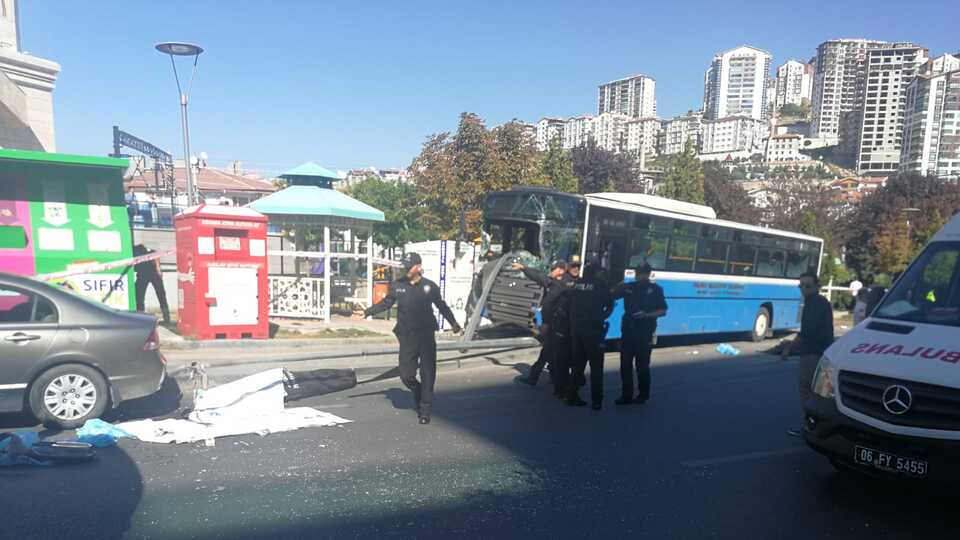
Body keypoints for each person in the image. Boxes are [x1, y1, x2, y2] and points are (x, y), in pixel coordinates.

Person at [356, 252, 462, 425]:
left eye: (409, 266)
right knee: (406, 375)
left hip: (426, 335)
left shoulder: (430, 286)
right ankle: (418, 391)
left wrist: (454, 323)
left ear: (418, 267)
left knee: (428, 373)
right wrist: (367, 312)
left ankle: (425, 409)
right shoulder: (397, 285)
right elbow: (386, 303)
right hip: (406, 336)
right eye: (404, 266)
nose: (405, 270)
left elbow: (441, 306)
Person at [781, 272, 834, 436]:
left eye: (807, 286)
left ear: (817, 286)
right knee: (817, 393)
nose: (803, 289)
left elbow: (806, 332)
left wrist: (789, 348)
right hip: (821, 353)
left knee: (807, 392)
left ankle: (809, 427)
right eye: (801, 285)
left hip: (812, 353)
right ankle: (817, 427)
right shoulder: (820, 302)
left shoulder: (815, 304)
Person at [511, 259, 573, 395]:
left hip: (559, 325)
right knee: (549, 351)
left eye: (554, 269)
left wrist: (545, 322)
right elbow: (539, 276)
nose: (551, 271)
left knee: (554, 352)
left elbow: (549, 304)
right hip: (556, 324)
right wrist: (523, 268)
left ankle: (562, 384)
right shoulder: (556, 281)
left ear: (561, 270)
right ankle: (550, 378)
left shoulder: (562, 284)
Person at [612, 263, 667, 405]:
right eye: (638, 273)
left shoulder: (655, 290)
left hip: (644, 332)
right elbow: (612, 296)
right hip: (628, 331)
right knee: (625, 365)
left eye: (642, 273)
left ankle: (643, 395)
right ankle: (626, 395)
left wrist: (647, 315)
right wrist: (616, 287)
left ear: (648, 274)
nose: (639, 275)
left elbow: (662, 311)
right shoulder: (628, 287)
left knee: (642, 365)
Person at [567, 257, 613, 410]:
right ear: (597, 271)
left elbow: (570, 304)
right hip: (594, 331)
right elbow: (610, 304)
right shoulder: (600, 285)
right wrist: (602, 317)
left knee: (578, 365)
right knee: (596, 367)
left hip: (577, 330)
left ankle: (572, 396)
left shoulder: (577, 284)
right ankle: (597, 400)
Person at [133, 243, 171, 323]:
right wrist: (158, 269)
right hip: (147, 273)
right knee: (159, 295)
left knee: (141, 295)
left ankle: (141, 316)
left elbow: (156, 257)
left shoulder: (137, 250)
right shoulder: (142, 250)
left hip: (147, 273)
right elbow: (156, 257)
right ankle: (166, 316)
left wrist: (158, 269)